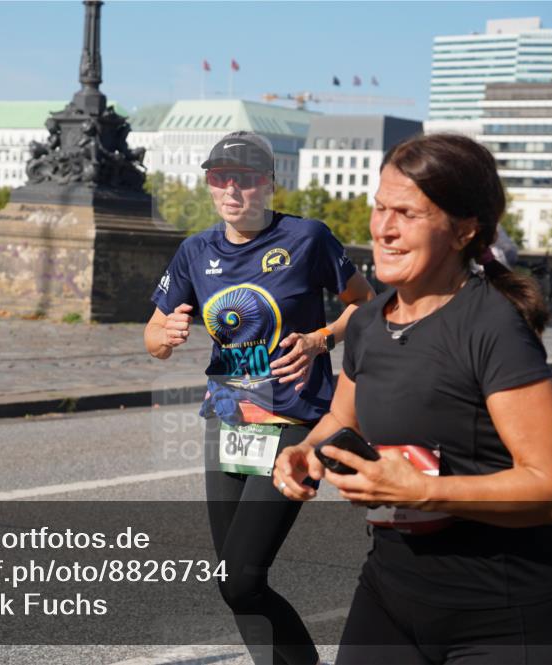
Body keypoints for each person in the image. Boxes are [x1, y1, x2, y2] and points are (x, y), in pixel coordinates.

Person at [273, 133, 552, 664]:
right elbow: (340, 416)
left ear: (464, 229)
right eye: (379, 208)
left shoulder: (491, 325)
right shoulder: (370, 322)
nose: (383, 228)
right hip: (391, 600)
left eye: (407, 213)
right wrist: (308, 451)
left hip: (506, 618)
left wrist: (424, 490)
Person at [145, 130, 374, 664]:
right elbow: (153, 334)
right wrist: (166, 337)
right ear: (209, 184)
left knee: (244, 576)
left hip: (296, 422)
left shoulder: (308, 238)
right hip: (226, 420)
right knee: (232, 580)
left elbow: (366, 305)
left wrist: (322, 339)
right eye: (221, 178)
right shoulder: (194, 251)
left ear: (268, 185)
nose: (232, 191)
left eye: (245, 180)